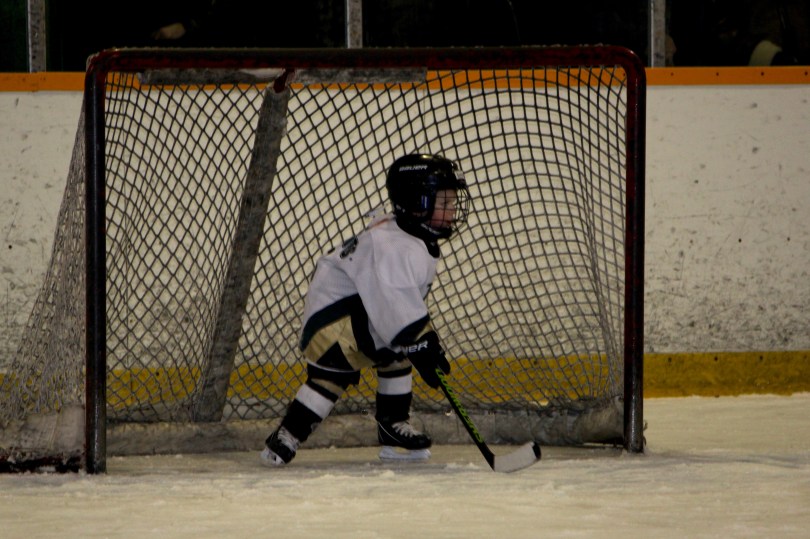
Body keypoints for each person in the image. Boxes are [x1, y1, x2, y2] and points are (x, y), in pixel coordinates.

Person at [260, 153, 471, 466]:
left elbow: (398, 304)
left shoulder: (410, 235)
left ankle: (393, 427)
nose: (452, 210)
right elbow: (396, 305)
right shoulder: (394, 246)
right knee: (332, 377)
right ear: (416, 202)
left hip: (362, 311)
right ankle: (285, 437)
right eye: (444, 202)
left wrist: (421, 342)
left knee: (399, 350)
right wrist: (421, 341)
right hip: (333, 320)